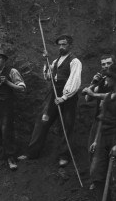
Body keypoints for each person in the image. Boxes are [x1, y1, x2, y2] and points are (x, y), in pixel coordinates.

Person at [18, 35, 82, 167]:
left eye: (64, 44)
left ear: (70, 45)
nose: (61, 47)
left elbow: (74, 81)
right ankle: (32, 153)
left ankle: (64, 156)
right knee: (43, 120)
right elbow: (48, 77)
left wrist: (64, 97)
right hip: (53, 94)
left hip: (68, 98)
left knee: (66, 125)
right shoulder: (56, 60)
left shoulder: (75, 61)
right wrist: (46, 62)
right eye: (59, 45)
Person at [85, 66, 116, 201]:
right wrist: (96, 140)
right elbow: (102, 119)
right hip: (103, 137)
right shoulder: (109, 96)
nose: (107, 80)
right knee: (96, 172)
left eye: (109, 78)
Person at [83, 54, 114, 163]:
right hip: (99, 120)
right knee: (93, 150)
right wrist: (93, 82)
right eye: (103, 64)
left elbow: (114, 96)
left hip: (113, 122)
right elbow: (87, 98)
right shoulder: (102, 80)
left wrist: (94, 94)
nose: (106, 66)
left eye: (109, 63)